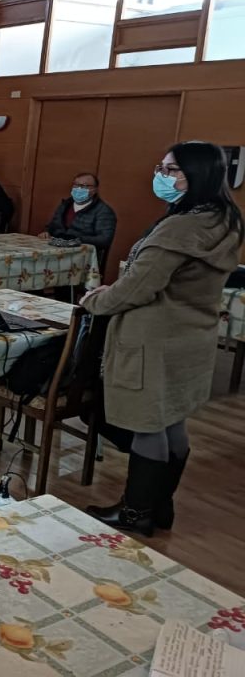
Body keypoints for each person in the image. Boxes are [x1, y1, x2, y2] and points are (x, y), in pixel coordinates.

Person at [80, 141, 243, 537]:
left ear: (197, 175)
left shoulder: (179, 228)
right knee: (172, 419)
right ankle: (159, 506)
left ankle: (135, 513)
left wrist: (96, 301)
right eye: (161, 168)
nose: (161, 176)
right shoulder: (222, 218)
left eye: (171, 170)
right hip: (190, 336)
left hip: (153, 339)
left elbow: (139, 287)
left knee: (148, 423)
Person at [39, 172, 117, 255]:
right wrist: (46, 232)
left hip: (82, 255)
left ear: (94, 190)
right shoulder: (65, 204)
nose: (79, 188)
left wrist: (75, 239)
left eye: (85, 186)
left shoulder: (103, 211)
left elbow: (104, 240)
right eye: (76, 185)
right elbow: (52, 226)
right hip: (55, 250)